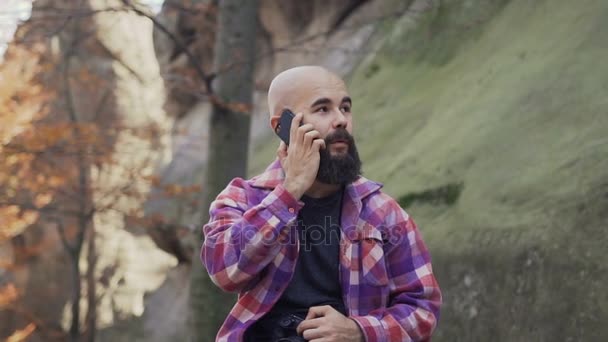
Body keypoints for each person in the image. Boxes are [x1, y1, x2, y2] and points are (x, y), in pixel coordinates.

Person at [201, 66, 442, 342]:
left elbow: (424, 310)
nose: (341, 120)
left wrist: (358, 331)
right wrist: (289, 191)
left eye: (346, 108)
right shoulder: (240, 199)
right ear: (283, 127)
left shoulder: (385, 214)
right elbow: (224, 272)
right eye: (323, 109)